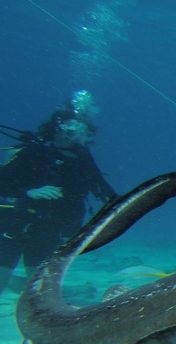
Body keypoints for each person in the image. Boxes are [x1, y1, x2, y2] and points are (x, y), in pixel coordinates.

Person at [0, 90, 117, 295]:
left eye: (79, 133)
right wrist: (29, 192)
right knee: (3, 274)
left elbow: (104, 191)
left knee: (41, 287)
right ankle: (11, 283)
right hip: (16, 223)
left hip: (50, 228)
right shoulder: (34, 152)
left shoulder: (83, 160)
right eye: (67, 130)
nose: (72, 136)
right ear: (55, 129)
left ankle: (23, 290)